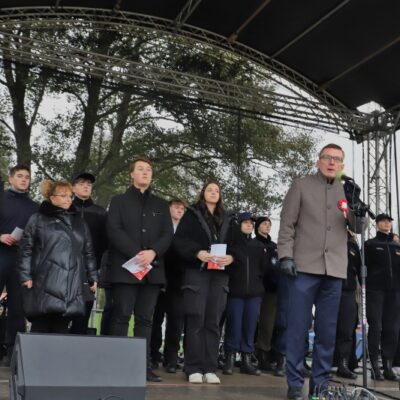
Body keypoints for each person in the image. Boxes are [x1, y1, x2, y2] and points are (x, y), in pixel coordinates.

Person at [278, 143, 362, 400]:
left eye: (337, 159)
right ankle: (294, 382)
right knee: (298, 328)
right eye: (327, 157)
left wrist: (355, 204)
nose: (331, 162)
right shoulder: (301, 185)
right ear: (318, 161)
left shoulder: (346, 189)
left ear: (342, 165)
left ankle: (320, 384)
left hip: (335, 270)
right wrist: (285, 255)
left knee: (327, 331)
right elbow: (287, 224)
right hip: (303, 267)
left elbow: (357, 227)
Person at [107, 158, 173, 383]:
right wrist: (137, 254)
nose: (146, 172)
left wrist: (153, 252)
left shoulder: (161, 204)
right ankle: (117, 367)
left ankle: (142, 367)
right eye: (141, 169)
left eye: (149, 170)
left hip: (152, 272)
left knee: (146, 320)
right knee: (121, 317)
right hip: (126, 270)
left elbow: (167, 235)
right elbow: (113, 230)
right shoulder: (118, 201)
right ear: (131, 175)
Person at [17, 180, 98, 333]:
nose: (68, 199)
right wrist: (25, 276)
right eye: (63, 195)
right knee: (41, 326)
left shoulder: (79, 222)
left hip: (72, 282)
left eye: (70, 196)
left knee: (61, 329)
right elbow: (25, 250)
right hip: (44, 281)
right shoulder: (37, 219)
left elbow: (88, 252)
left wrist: (92, 276)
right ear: (52, 197)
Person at [173, 181, 234, 384]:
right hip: (197, 274)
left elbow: (238, 246)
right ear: (202, 193)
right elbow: (180, 241)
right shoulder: (191, 215)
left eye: (217, 190)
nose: (214, 193)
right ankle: (193, 368)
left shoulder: (228, 218)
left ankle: (210, 368)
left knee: (213, 323)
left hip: (220, 276)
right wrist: (197, 253)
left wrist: (231, 258)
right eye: (210, 190)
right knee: (196, 320)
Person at [0, 164, 38, 364]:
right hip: (0, 255)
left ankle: (13, 352)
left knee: (18, 307)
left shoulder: (34, 207)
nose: (24, 179)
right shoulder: (1, 199)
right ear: (11, 179)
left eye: (27, 177)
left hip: (21, 260)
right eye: (20, 176)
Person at [223, 212, 264, 376]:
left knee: (250, 327)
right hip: (235, 293)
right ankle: (229, 359)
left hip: (254, 294)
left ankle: (247, 360)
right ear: (238, 225)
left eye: (251, 223)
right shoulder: (231, 246)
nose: (249, 225)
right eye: (245, 222)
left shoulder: (258, 246)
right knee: (233, 325)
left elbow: (263, 269)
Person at [150, 198, 186, 373]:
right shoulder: (160, 229)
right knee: (155, 319)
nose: (179, 210)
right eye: (176, 207)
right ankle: (153, 355)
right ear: (168, 209)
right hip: (159, 280)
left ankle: (171, 357)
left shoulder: (186, 231)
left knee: (176, 321)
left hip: (178, 283)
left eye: (182, 208)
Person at [69, 172, 107, 335]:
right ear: (73, 187)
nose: (86, 186)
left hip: (90, 271)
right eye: (82, 183)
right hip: (66, 267)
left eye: (89, 184)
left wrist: (97, 269)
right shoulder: (65, 209)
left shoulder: (101, 212)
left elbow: (106, 242)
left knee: (84, 312)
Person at [365, 213, 400, 381]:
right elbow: (362, 267)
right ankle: (374, 367)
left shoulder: (397, 246)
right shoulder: (370, 244)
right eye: (383, 221)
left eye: (389, 222)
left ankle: (387, 366)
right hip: (375, 292)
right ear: (378, 224)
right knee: (375, 327)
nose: (387, 224)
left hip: (394, 293)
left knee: (392, 329)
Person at [254, 216, 283, 374]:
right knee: (262, 323)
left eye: (269, 224)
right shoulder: (254, 244)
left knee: (271, 323)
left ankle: (269, 354)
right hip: (257, 287)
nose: (267, 226)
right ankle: (260, 354)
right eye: (264, 223)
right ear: (257, 227)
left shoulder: (274, 246)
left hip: (273, 289)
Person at [334, 231, 360, 380]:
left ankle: (343, 364)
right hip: (329, 288)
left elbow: (359, 265)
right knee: (327, 328)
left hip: (348, 290)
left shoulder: (353, 245)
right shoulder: (329, 239)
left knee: (347, 330)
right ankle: (325, 362)